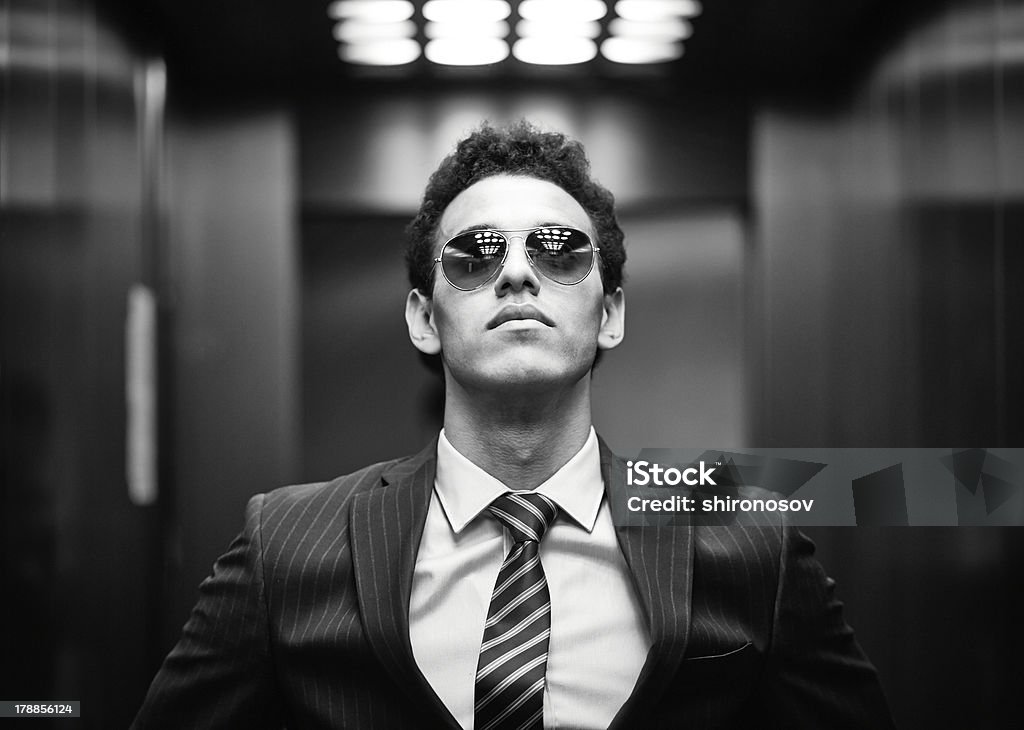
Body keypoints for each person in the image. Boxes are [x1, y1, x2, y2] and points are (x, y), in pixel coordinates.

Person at [132, 121, 895, 729]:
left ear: (612, 314)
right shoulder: (288, 545)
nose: (517, 272)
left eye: (560, 250)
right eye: (474, 254)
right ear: (424, 319)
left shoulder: (744, 530)